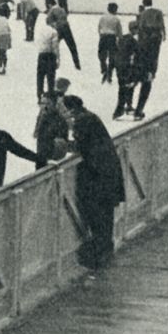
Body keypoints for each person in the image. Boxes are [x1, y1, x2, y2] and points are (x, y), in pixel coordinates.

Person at [62, 95, 125, 269]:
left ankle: (97, 256)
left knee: (97, 217)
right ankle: (104, 252)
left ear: (70, 109)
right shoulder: (89, 117)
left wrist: (63, 144)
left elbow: (81, 145)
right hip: (108, 173)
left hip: (98, 177)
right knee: (105, 217)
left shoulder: (82, 121)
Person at [32, 78, 71, 169]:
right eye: (42, 103)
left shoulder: (59, 120)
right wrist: (36, 130)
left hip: (53, 157)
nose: (44, 107)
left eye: (47, 104)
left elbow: (63, 142)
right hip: (42, 150)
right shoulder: (44, 114)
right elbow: (39, 118)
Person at [44, 0, 80, 71]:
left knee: (53, 47)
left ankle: (53, 63)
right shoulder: (62, 9)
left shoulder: (52, 10)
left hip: (58, 29)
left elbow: (48, 21)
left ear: (49, 5)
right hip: (67, 28)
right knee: (72, 46)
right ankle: (77, 64)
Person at [34, 18, 60, 101]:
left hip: (41, 55)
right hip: (50, 56)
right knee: (50, 76)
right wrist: (58, 59)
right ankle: (50, 95)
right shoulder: (54, 32)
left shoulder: (40, 31)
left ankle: (39, 94)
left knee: (40, 75)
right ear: (53, 22)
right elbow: (55, 47)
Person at [97, 3, 122, 82]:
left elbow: (99, 27)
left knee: (102, 55)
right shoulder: (116, 19)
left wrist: (101, 35)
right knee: (112, 56)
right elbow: (119, 31)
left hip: (103, 36)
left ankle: (103, 69)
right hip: (112, 38)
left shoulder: (103, 17)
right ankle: (109, 72)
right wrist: (120, 39)